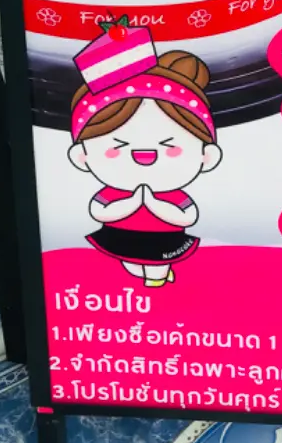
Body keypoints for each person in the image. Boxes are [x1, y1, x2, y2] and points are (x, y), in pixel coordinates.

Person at [67, 26, 222, 287]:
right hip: (119, 237)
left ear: (206, 156)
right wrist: (130, 204)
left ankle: (157, 281)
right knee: (129, 264)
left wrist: (153, 204)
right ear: (82, 155)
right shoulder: (114, 192)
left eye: (169, 146)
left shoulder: (172, 195)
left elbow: (187, 216)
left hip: (164, 240)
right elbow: (99, 210)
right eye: (118, 146)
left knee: (156, 268)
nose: (144, 155)